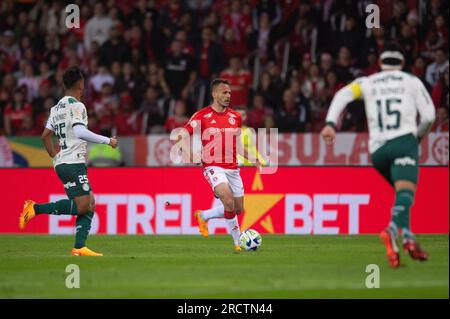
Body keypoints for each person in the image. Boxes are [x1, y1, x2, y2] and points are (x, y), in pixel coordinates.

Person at [321, 43, 436, 268]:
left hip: (377, 151)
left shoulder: (368, 82)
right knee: (405, 193)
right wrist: (417, 138)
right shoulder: (411, 81)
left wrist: (330, 123)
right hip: (403, 142)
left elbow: (342, 95)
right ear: (402, 63)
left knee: (402, 195)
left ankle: (409, 237)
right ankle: (392, 231)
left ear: (381, 63)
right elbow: (430, 116)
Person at [18, 67, 118, 256]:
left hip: (63, 162)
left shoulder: (56, 108)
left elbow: (45, 136)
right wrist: (108, 141)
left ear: (65, 85)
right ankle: (35, 208)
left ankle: (79, 247)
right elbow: (80, 132)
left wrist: (55, 159)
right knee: (83, 205)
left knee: (89, 203)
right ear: (81, 84)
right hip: (73, 163)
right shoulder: (77, 106)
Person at [179, 78, 260, 251]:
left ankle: (204, 215)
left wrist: (253, 158)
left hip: (233, 168)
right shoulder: (201, 116)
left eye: (229, 92)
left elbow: (238, 145)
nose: (228, 96)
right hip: (212, 166)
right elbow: (182, 135)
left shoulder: (235, 117)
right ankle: (238, 243)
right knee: (227, 198)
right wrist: (188, 152)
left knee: (238, 209)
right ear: (214, 94)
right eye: (224, 92)